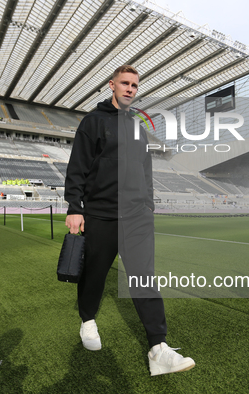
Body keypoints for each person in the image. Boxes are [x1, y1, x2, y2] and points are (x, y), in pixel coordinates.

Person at [65, 65, 195, 376]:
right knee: (94, 271)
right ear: (112, 85)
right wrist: (74, 206)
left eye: (134, 85)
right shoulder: (92, 122)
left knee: (144, 276)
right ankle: (88, 320)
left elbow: (146, 167)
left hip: (136, 215)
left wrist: (148, 203)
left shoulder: (138, 126)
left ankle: (158, 348)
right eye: (125, 83)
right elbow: (78, 166)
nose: (130, 89)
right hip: (101, 212)